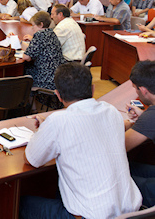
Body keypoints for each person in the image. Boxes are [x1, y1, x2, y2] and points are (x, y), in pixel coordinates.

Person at [20, 63, 142, 219]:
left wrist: (41, 132)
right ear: (92, 89)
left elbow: (31, 159)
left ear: (58, 95)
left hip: (90, 216)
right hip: (131, 212)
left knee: (23, 203)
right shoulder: (111, 111)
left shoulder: (58, 121)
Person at [125, 61, 155, 207]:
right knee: (130, 166)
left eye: (135, 90)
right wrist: (144, 116)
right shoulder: (150, 117)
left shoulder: (151, 117)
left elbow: (119, 147)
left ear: (143, 90)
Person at [21, 11, 66, 89]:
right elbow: (33, 49)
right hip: (57, 75)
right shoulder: (51, 33)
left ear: (41, 24)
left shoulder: (39, 35)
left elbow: (26, 57)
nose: (32, 28)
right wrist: (20, 43)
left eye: (33, 25)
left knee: (25, 70)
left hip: (45, 78)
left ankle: (27, 99)